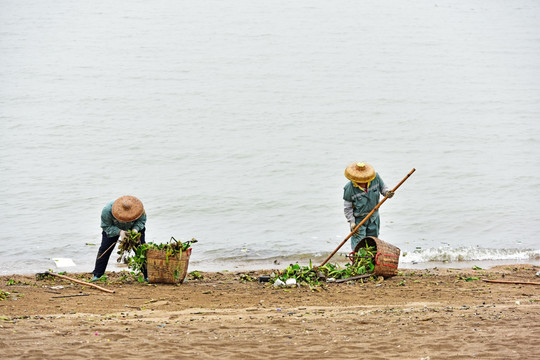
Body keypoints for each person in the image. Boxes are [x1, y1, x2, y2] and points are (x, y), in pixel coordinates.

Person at [90, 195, 147, 282]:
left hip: (134, 228)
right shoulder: (107, 211)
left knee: (141, 249)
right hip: (113, 228)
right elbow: (106, 226)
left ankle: (147, 274)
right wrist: (120, 232)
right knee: (105, 249)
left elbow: (141, 221)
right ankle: (97, 274)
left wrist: (135, 229)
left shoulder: (139, 209)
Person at [343, 162, 394, 251]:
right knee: (359, 245)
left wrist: (387, 193)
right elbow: (348, 207)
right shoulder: (349, 188)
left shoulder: (375, 178)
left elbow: (383, 188)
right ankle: (357, 262)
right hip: (359, 220)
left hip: (373, 217)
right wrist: (351, 222)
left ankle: (373, 262)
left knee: (373, 242)